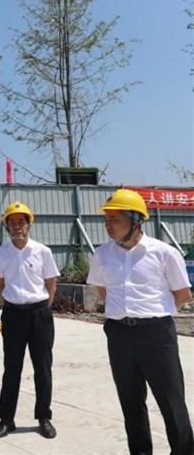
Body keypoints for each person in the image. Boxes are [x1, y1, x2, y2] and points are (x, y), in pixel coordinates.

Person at [87, 189, 194, 455]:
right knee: (131, 402)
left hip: (156, 335)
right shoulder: (102, 254)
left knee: (171, 402)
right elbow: (103, 289)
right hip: (118, 334)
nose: (108, 225)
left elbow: (182, 295)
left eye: (114, 219)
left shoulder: (164, 253)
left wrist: (152, 312)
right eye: (106, 219)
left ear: (135, 220)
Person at [0, 201, 59, 440]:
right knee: (12, 368)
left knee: (43, 367)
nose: (17, 226)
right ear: (7, 226)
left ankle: (44, 417)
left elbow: (51, 283)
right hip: (13, 315)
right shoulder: (1, 254)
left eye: (21, 222)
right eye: (12, 222)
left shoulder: (42, 251)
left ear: (29, 225)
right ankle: (6, 419)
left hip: (39, 314)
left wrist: (44, 307)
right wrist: (10, 303)